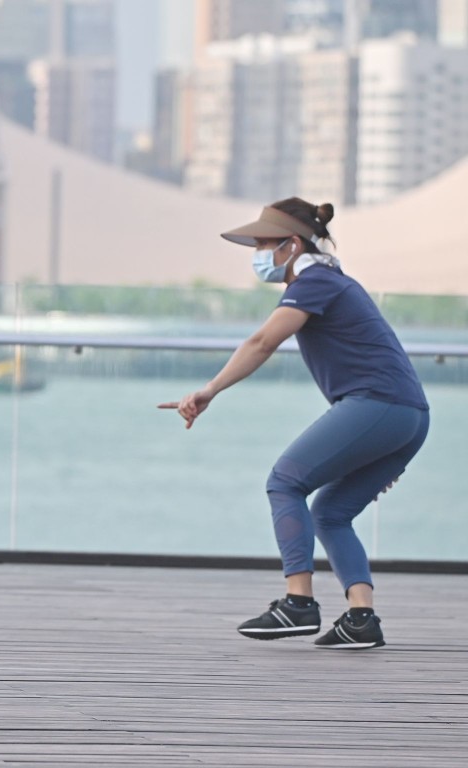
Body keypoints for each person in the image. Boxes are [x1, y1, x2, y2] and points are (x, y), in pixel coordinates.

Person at [159, 198, 429, 650]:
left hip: (379, 406)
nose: (258, 254)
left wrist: (209, 390)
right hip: (406, 415)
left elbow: (263, 341)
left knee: (285, 482)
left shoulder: (316, 281)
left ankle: (297, 604)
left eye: (264, 243)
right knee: (331, 512)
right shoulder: (332, 282)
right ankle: (362, 617)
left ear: (291, 245)